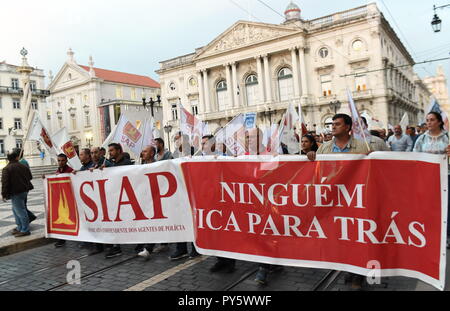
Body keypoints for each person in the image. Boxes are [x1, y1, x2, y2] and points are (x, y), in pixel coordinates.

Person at [306, 114, 370, 289]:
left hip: (355, 200)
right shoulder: (324, 148)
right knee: (340, 236)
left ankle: (357, 274)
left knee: (356, 235)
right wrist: (311, 155)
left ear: (348, 127)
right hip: (332, 202)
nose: (333, 127)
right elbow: (314, 173)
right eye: (332, 124)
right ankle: (348, 267)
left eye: (337, 124)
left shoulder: (362, 146)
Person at [414, 112, 450, 248]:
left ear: (439, 122)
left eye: (432, 120)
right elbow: (415, 157)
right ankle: (429, 232)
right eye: (427, 120)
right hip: (427, 178)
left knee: (446, 205)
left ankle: (447, 235)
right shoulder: (421, 139)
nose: (428, 123)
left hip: (446, 176)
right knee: (429, 205)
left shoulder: (447, 137)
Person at [104, 143, 133, 259]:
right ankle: (116, 246)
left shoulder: (126, 163)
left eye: (111, 150)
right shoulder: (112, 164)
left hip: (126, 198)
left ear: (119, 150)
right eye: (109, 151)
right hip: (115, 198)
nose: (109, 153)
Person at [1, 152, 34, 237]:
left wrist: (4, 194)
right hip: (24, 191)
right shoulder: (23, 166)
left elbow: (5, 183)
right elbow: (30, 177)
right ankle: (20, 227)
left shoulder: (7, 168)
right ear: (16, 158)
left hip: (15, 192)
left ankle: (25, 230)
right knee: (16, 210)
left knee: (20, 211)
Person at [53, 154, 74, 248]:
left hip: (70, 199)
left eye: (62, 160)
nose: (60, 162)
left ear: (66, 161)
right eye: (59, 160)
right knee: (62, 220)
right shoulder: (58, 170)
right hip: (61, 199)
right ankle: (61, 239)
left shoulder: (70, 171)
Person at [11, 148, 36, 223]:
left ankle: (28, 220)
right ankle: (28, 219)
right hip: (22, 186)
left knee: (21, 206)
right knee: (21, 206)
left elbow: (26, 175)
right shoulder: (20, 162)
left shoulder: (22, 162)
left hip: (22, 187)